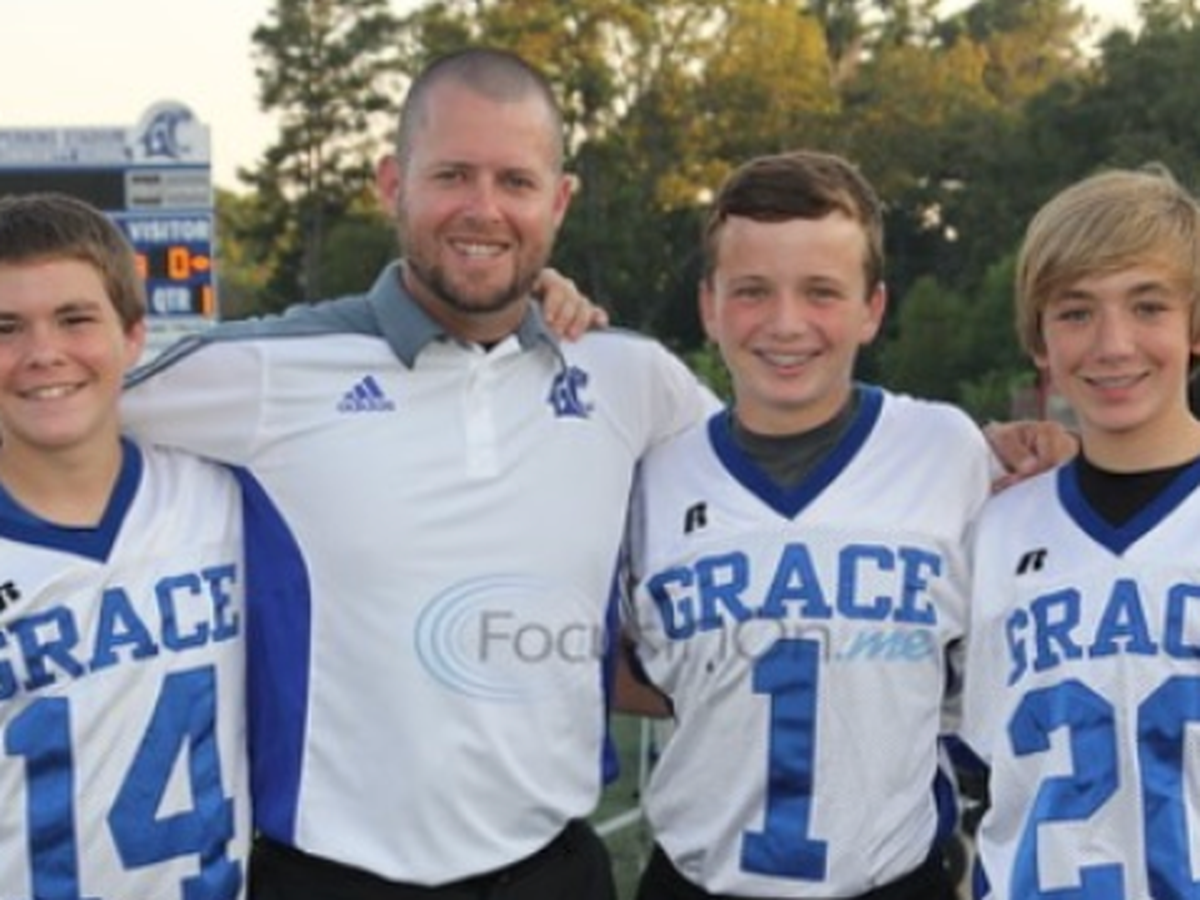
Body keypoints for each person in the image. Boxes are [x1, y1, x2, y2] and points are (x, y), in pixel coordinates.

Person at [120, 46, 713, 900]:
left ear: (558, 201)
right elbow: (52, 396)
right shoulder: (267, 371)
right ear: (392, 184)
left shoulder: (630, 376)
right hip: (333, 879)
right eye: (452, 175)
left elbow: (763, 483)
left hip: (555, 872)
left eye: (515, 182)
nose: (483, 208)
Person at [621, 149, 993, 899]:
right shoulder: (651, 476)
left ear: (872, 308)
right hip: (698, 880)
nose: (786, 324)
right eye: (752, 291)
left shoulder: (947, 452)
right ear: (709, 306)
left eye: (821, 291)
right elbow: (611, 662)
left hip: (891, 883)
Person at [0, 193, 295, 899]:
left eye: (75, 319)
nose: (43, 353)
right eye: (6, 328)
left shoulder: (223, 495)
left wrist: (528, 307)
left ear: (133, 335)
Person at [960, 165, 1200, 899]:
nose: (1113, 344)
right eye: (1075, 312)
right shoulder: (994, 531)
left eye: (1148, 306)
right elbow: (979, 766)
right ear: (1040, 340)